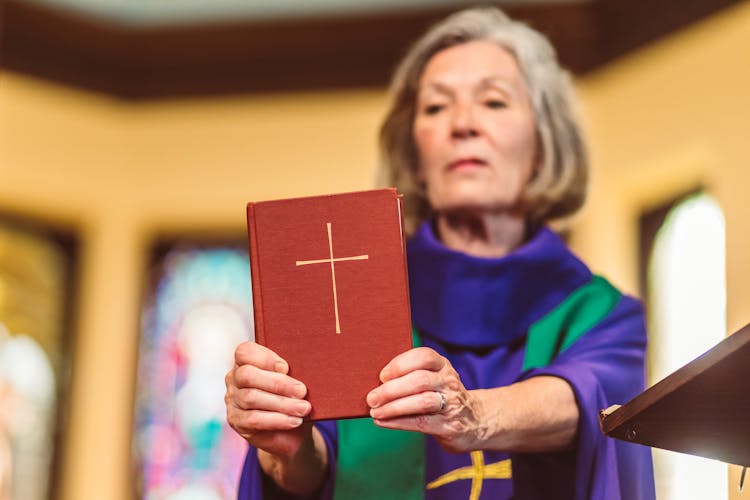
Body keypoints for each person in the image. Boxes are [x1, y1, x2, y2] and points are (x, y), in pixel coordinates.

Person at [225, 7, 655, 499]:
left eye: (493, 102)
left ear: (542, 145)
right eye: (435, 108)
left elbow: (590, 406)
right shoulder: (349, 292)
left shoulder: (602, 316)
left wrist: (473, 416)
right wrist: (286, 448)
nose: (462, 124)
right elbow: (311, 468)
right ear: (415, 155)